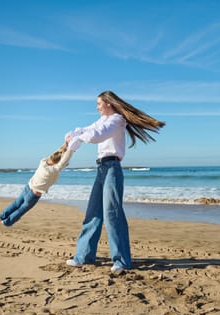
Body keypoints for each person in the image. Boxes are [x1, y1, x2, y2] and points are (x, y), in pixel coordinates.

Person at [65, 90, 165, 273]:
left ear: (108, 103)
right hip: (101, 169)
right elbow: (87, 130)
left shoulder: (117, 120)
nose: (97, 107)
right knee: (93, 213)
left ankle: (121, 260)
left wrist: (79, 137)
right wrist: (73, 134)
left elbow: (97, 135)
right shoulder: (103, 120)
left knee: (112, 214)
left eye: (99, 104)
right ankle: (83, 256)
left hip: (112, 168)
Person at [0, 141, 77, 226]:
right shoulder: (53, 171)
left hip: (28, 187)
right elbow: (63, 162)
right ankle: (7, 222)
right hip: (34, 194)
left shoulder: (43, 162)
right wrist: (71, 149)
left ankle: (2, 215)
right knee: (22, 209)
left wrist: (64, 146)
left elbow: (56, 155)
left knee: (17, 203)